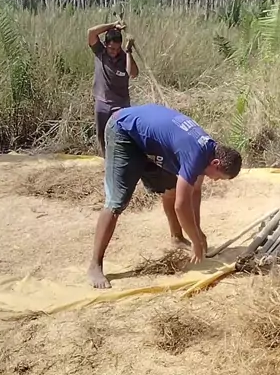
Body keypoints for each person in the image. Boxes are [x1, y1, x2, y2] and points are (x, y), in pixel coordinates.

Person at [87, 103, 242, 289]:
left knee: (172, 188)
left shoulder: (209, 149)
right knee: (116, 202)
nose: (215, 180)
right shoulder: (195, 155)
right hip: (123, 130)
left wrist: (197, 232)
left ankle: (177, 238)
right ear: (216, 163)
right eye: (219, 177)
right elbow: (181, 206)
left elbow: (194, 192)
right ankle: (95, 264)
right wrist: (195, 240)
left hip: (148, 141)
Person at [88, 20, 139, 156]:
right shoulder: (100, 52)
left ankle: (123, 161)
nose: (114, 52)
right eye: (111, 49)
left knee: (123, 137)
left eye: (117, 49)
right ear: (105, 45)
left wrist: (128, 52)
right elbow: (91, 32)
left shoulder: (124, 56)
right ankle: (106, 161)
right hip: (102, 103)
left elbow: (133, 74)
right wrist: (113, 25)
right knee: (102, 137)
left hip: (121, 105)